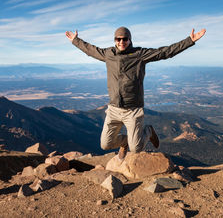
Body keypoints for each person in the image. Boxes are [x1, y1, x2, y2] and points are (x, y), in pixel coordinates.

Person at [66, 26, 206, 160]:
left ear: (130, 39)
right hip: (114, 109)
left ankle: (148, 131)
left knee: (136, 149)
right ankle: (124, 142)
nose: (121, 42)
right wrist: (75, 40)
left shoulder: (139, 54)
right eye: (118, 39)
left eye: (125, 39)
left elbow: (165, 52)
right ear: (114, 40)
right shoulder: (109, 54)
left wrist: (189, 41)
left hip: (133, 110)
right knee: (105, 144)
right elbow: (90, 50)